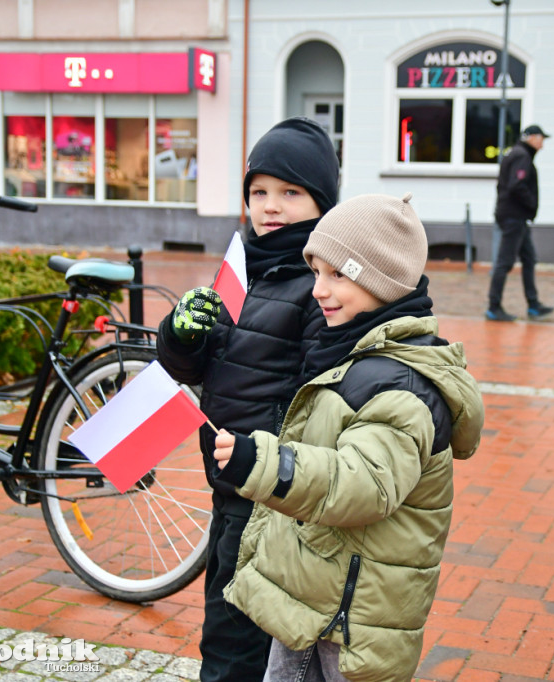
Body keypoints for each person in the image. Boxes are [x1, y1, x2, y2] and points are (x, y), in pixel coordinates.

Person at [212, 192, 484, 681]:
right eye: (316, 272)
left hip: (351, 621)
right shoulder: (349, 353)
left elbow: (364, 485)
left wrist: (265, 464)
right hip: (319, 596)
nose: (318, 289)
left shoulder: (398, 385)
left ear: (381, 280)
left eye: (338, 275)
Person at [155, 116, 339, 682]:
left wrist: (267, 461)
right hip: (230, 488)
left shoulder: (318, 283)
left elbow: (320, 397)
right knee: (229, 636)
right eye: (258, 192)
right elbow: (194, 369)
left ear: (322, 202)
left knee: (238, 649)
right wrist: (180, 335)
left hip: (270, 498)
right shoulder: (244, 270)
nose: (271, 206)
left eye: (290, 192)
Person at [485, 124, 554, 322]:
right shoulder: (522, 156)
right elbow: (517, 185)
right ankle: (493, 307)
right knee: (504, 262)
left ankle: (533, 305)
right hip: (513, 217)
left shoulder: (518, 154)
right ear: (531, 137)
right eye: (541, 138)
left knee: (529, 259)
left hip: (517, 217)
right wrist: (531, 203)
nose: (542, 143)